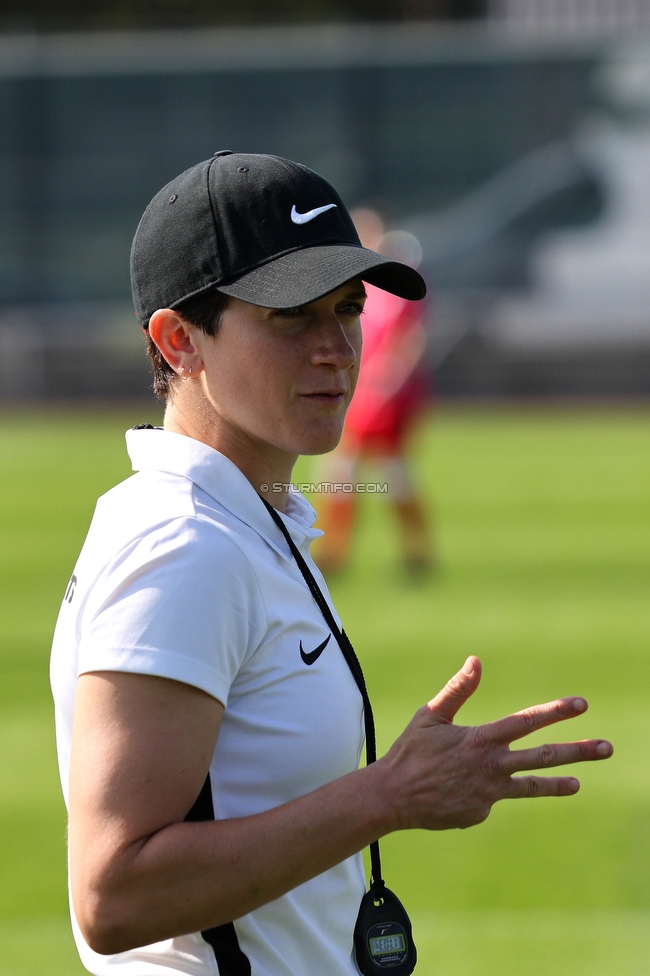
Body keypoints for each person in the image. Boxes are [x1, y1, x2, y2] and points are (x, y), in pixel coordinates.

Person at [50, 151, 613, 976]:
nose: (337, 349)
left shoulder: (250, 518)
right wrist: (389, 796)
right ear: (178, 342)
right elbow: (114, 899)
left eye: (347, 308)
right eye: (289, 316)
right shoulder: (184, 546)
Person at [313, 207, 434, 576]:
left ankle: (415, 552)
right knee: (342, 469)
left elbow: (411, 337)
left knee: (390, 472)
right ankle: (334, 552)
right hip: (356, 389)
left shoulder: (395, 285)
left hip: (388, 396)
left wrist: (392, 375)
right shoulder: (346, 284)